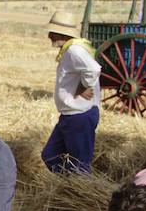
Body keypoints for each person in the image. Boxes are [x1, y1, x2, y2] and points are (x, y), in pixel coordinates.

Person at [41, 10, 101, 173]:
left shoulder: (75, 51)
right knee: (50, 155)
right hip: (70, 115)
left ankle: (80, 193)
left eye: (52, 32)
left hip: (79, 116)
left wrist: (84, 86)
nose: (49, 36)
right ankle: (68, 184)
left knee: (80, 164)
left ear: (61, 33)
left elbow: (94, 69)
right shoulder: (70, 50)